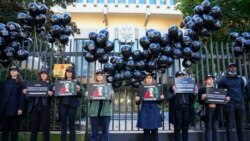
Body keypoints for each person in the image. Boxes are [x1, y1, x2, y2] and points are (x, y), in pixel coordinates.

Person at [218, 63, 245, 141]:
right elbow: (220, 93)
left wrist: (240, 98)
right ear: (227, 68)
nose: (233, 68)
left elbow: (242, 90)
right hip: (230, 105)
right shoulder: (223, 80)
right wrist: (225, 98)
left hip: (240, 104)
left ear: (236, 68)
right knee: (229, 125)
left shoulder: (240, 79)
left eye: (234, 67)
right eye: (231, 67)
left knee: (240, 125)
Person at [168, 71, 197, 141]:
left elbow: (192, 98)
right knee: (177, 127)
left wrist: (195, 93)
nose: (182, 77)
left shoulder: (188, 85)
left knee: (185, 128)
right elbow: (169, 98)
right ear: (176, 78)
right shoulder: (172, 87)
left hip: (187, 108)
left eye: (183, 76)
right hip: (177, 109)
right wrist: (174, 93)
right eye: (180, 76)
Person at [0, 65, 27, 141]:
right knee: (4, 130)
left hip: (15, 110)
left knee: (14, 130)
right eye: (11, 70)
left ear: (18, 72)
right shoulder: (4, 82)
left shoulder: (21, 83)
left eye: (14, 70)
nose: (12, 72)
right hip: (4, 110)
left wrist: (20, 108)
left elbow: (22, 97)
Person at [87, 69, 114, 141]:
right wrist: (87, 95)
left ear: (103, 77)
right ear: (96, 77)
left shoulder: (108, 86)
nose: (99, 76)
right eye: (98, 75)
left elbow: (112, 99)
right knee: (94, 132)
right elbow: (89, 99)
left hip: (106, 112)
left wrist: (112, 95)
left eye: (101, 75)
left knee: (105, 132)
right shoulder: (92, 87)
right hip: (94, 112)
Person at [136, 73, 164, 141]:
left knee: (155, 132)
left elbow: (159, 102)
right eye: (147, 78)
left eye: (150, 78)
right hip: (145, 111)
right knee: (146, 132)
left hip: (154, 111)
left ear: (152, 79)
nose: (149, 79)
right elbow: (138, 102)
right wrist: (137, 99)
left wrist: (161, 98)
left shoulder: (156, 88)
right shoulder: (141, 88)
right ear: (145, 80)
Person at [28, 68, 54, 141]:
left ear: (47, 75)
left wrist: (51, 92)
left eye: (45, 74)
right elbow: (29, 95)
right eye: (41, 74)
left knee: (45, 127)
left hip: (45, 107)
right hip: (35, 106)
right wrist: (27, 91)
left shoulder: (51, 84)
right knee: (34, 127)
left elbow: (54, 93)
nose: (43, 75)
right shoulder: (35, 83)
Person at [198, 74, 224, 141]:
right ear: (205, 81)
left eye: (212, 79)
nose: (211, 80)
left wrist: (225, 99)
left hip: (215, 111)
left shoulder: (216, 89)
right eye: (209, 79)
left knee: (215, 129)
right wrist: (202, 98)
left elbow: (220, 101)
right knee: (208, 129)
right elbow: (200, 102)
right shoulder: (201, 90)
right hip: (207, 111)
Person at [59, 66, 82, 141]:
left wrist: (78, 90)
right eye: (67, 72)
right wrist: (56, 90)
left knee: (72, 125)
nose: (68, 73)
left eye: (70, 72)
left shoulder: (77, 82)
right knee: (63, 125)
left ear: (73, 73)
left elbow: (81, 95)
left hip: (73, 106)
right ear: (65, 73)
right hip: (63, 105)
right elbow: (58, 95)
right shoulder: (61, 82)